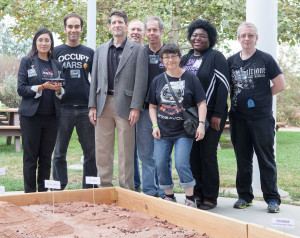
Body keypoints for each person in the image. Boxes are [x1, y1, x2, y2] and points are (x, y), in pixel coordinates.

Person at [227, 22, 285, 213]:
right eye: (243, 35)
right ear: (238, 38)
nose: (246, 38)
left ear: (256, 38)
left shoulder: (266, 59)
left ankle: (272, 199)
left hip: (261, 118)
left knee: (266, 159)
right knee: (243, 160)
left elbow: (280, 84)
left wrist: (262, 97)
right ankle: (244, 196)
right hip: (238, 118)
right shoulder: (231, 62)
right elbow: (227, 88)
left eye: (250, 35)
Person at [88, 10, 148, 190]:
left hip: (126, 105)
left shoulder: (138, 50)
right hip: (102, 104)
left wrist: (136, 107)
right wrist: (92, 105)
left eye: (120, 22)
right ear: (109, 27)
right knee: (102, 150)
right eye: (113, 23)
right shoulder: (100, 50)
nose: (117, 25)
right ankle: (104, 187)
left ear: (126, 26)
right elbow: (94, 80)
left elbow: (141, 80)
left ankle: (126, 189)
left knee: (126, 152)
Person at [147, 44, 207, 207]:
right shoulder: (158, 80)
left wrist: (201, 125)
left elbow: (201, 103)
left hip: (184, 131)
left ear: (180, 58)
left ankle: (190, 198)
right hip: (163, 131)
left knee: (181, 163)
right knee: (160, 163)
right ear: (162, 60)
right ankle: (169, 196)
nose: (170, 60)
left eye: (173, 56)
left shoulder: (190, 78)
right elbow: (152, 106)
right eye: (166, 57)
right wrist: (154, 126)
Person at [181, 19, 230, 210]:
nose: (197, 39)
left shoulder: (216, 57)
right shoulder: (185, 59)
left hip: (211, 116)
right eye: (194, 35)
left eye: (202, 36)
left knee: (208, 155)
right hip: (189, 118)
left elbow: (224, 86)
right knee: (193, 156)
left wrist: (217, 114)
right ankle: (198, 193)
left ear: (210, 39)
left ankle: (210, 197)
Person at [52, 13, 97, 190]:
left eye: (76, 26)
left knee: (90, 152)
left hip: (85, 109)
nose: (73, 30)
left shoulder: (89, 53)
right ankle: (58, 187)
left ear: (81, 29)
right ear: (64, 29)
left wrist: (93, 105)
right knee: (59, 152)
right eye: (70, 27)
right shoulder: (55, 52)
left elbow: (95, 81)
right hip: (63, 108)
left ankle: (90, 188)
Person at [17, 28, 63, 193]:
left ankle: (43, 194)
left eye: (47, 40)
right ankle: (29, 194)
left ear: (51, 44)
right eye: (41, 40)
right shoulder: (26, 61)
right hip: (31, 117)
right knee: (30, 158)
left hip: (52, 118)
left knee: (45, 158)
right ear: (35, 43)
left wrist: (58, 90)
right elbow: (21, 89)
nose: (44, 43)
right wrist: (43, 87)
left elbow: (61, 92)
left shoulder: (57, 64)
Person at [135, 16, 167, 198]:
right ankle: (149, 192)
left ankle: (164, 192)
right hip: (145, 111)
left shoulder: (169, 52)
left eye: (156, 30)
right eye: (149, 30)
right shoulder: (141, 52)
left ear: (161, 31)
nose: (152, 33)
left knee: (162, 155)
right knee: (146, 153)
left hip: (167, 112)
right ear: (145, 33)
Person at [127, 19, 145, 192]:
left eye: (139, 29)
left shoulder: (148, 52)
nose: (135, 32)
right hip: (128, 109)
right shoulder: (123, 53)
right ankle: (135, 185)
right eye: (132, 29)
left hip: (148, 109)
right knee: (130, 149)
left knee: (149, 151)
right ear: (127, 31)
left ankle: (153, 187)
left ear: (144, 33)